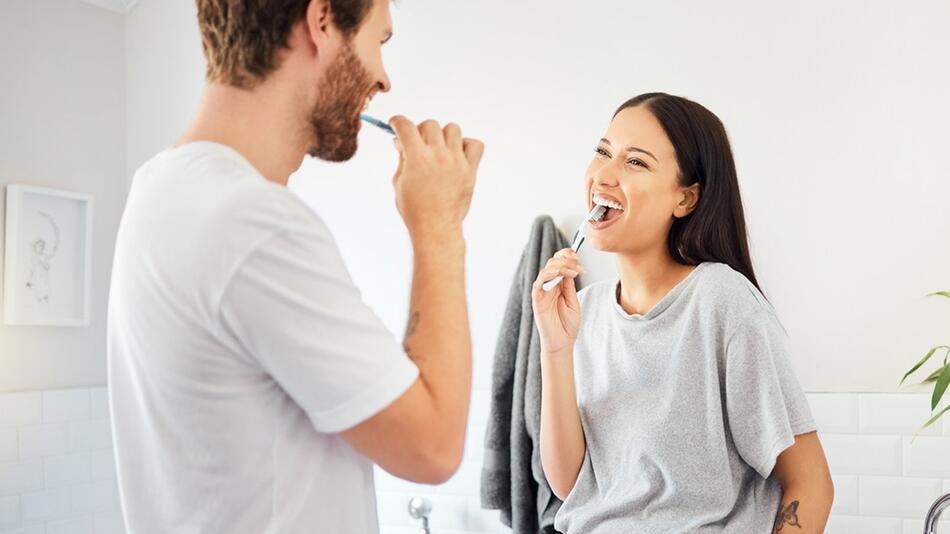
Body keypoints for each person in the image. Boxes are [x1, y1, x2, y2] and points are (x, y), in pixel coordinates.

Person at [106, 0, 484, 532]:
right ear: (322, 20)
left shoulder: (160, 187)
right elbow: (434, 447)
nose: (383, 80)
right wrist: (439, 225)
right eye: (380, 42)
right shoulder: (254, 222)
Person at [532, 92, 833, 533]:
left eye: (635, 162)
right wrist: (554, 349)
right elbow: (569, 486)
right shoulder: (586, 310)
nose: (604, 175)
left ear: (686, 199)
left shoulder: (720, 301)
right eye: (603, 152)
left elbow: (810, 482)